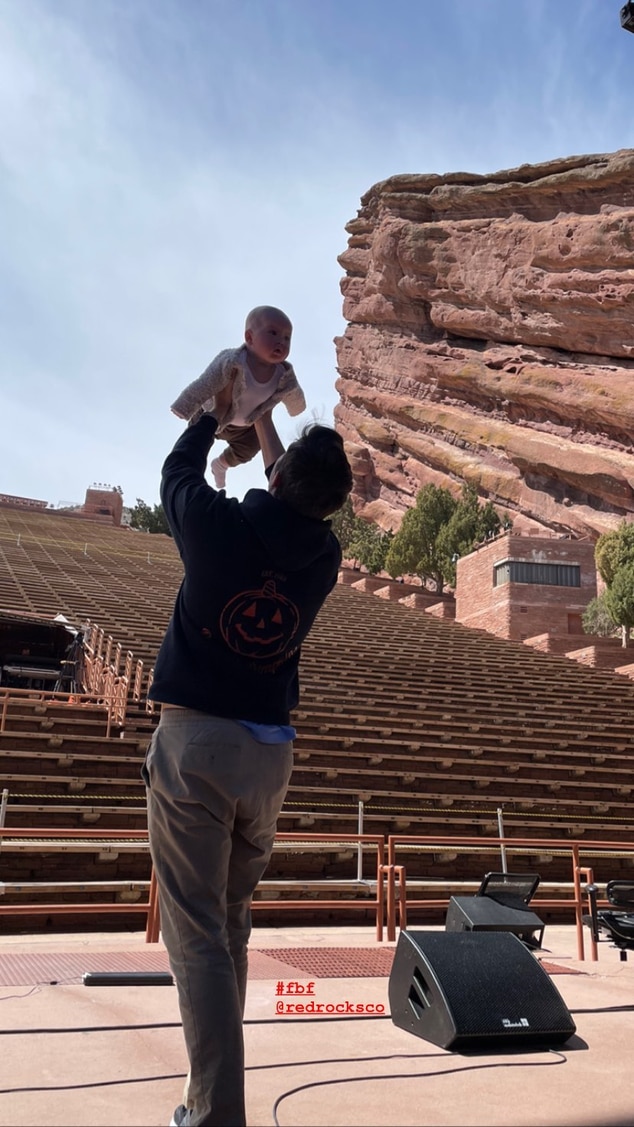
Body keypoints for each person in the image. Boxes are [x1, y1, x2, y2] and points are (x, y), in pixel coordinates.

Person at [143, 400, 353, 1127]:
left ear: (282, 472)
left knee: (195, 931)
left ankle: (213, 1114)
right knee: (229, 923)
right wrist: (263, 429)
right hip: (269, 755)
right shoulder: (323, 557)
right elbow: (290, 498)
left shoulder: (217, 527)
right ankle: (212, 1097)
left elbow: (174, 472)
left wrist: (209, 417)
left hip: (197, 744)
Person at [170, 306, 306, 490]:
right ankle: (193, 475)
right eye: (273, 333)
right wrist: (184, 405)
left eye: (287, 338)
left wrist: (297, 408)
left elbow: (294, 393)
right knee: (195, 439)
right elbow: (206, 382)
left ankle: (221, 465)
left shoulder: (284, 374)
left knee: (251, 447)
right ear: (249, 338)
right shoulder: (232, 361)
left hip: (246, 427)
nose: (281, 342)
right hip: (211, 413)